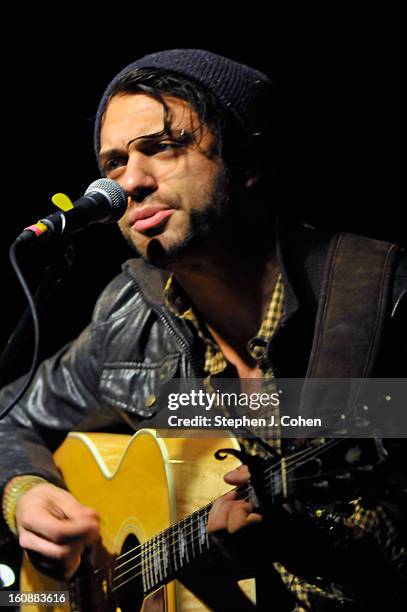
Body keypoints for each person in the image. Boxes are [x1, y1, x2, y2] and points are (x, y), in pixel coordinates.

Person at [0, 49, 406, 610]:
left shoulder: (383, 304)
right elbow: (8, 416)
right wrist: (27, 492)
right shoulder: (129, 314)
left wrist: (302, 542)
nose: (129, 184)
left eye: (161, 147)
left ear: (249, 157)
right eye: (113, 163)